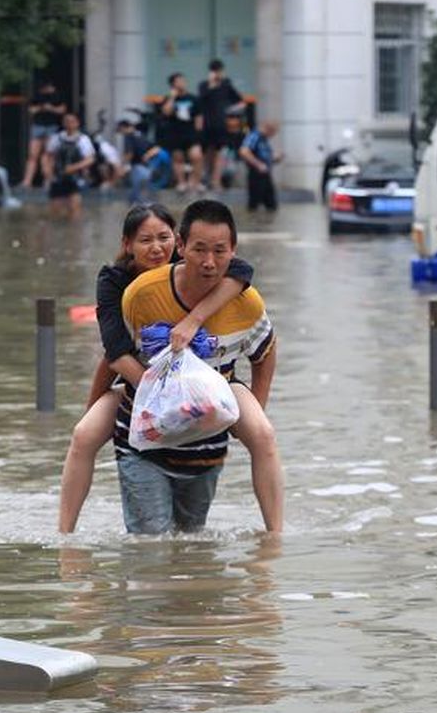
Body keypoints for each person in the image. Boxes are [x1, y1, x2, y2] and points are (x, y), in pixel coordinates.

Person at [58, 203, 283, 534]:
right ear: (127, 245)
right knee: (83, 434)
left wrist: (194, 320)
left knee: (263, 433)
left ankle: (275, 536)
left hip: (216, 380)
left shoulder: (207, 270)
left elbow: (242, 274)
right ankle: (65, 536)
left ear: (175, 242)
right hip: (141, 380)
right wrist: (161, 391)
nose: (156, 248)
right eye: (145, 240)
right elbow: (114, 354)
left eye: (163, 237)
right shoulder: (122, 286)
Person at [196, 59, 245, 190]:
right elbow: (200, 101)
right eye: (215, 71)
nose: (217, 74)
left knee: (220, 152)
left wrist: (230, 111)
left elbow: (240, 101)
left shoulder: (226, 85)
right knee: (207, 152)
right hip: (207, 124)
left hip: (221, 124)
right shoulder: (204, 85)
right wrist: (212, 84)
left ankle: (216, 180)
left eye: (219, 71)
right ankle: (206, 177)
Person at [42, 112, 95, 219]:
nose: (69, 124)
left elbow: (90, 159)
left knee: (75, 209)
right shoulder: (56, 138)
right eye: (66, 121)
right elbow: (47, 156)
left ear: (77, 123)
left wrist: (74, 167)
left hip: (75, 178)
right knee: (55, 211)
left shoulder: (83, 140)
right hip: (58, 177)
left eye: (72, 121)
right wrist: (46, 171)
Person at [158, 73, 203, 193]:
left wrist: (199, 133)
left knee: (196, 156)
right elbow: (166, 112)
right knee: (178, 158)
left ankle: (195, 182)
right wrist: (172, 97)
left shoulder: (193, 98)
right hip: (175, 132)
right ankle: (181, 182)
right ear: (173, 84)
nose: (181, 83)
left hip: (191, 132)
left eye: (183, 80)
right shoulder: (168, 98)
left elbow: (199, 117)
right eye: (178, 81)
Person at [19, 81, 67, 189]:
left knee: (48, 155)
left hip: (51, 126)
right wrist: (41, 108)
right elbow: (31, 110)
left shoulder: (57, 96)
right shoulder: (37, 96)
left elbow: (62, 109)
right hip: (38, 126)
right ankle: (27, 181)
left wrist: (50, 108)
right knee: (33, 155)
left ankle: (48, 179)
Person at [115, 117, 167, 204]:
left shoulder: (128, 136)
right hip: (148, 168)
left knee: (137, 194)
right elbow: (156, 148)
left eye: (120, 130)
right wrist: (147, 156)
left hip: (138, 168)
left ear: (123, 127)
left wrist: (122, 166)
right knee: (142, 192)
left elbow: (129, 153)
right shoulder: (140, 135)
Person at [238, 121, 281, 212]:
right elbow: (243, 151)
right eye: (273, 132)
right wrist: (258, 164)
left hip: (266, 175)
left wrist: (275, 158)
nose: (272, 136)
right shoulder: (254, 136)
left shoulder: (263, 140)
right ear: (268, 129)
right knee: (254, 205)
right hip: (256, 175)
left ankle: (265, 224)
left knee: (271, 205)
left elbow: (264, 155)